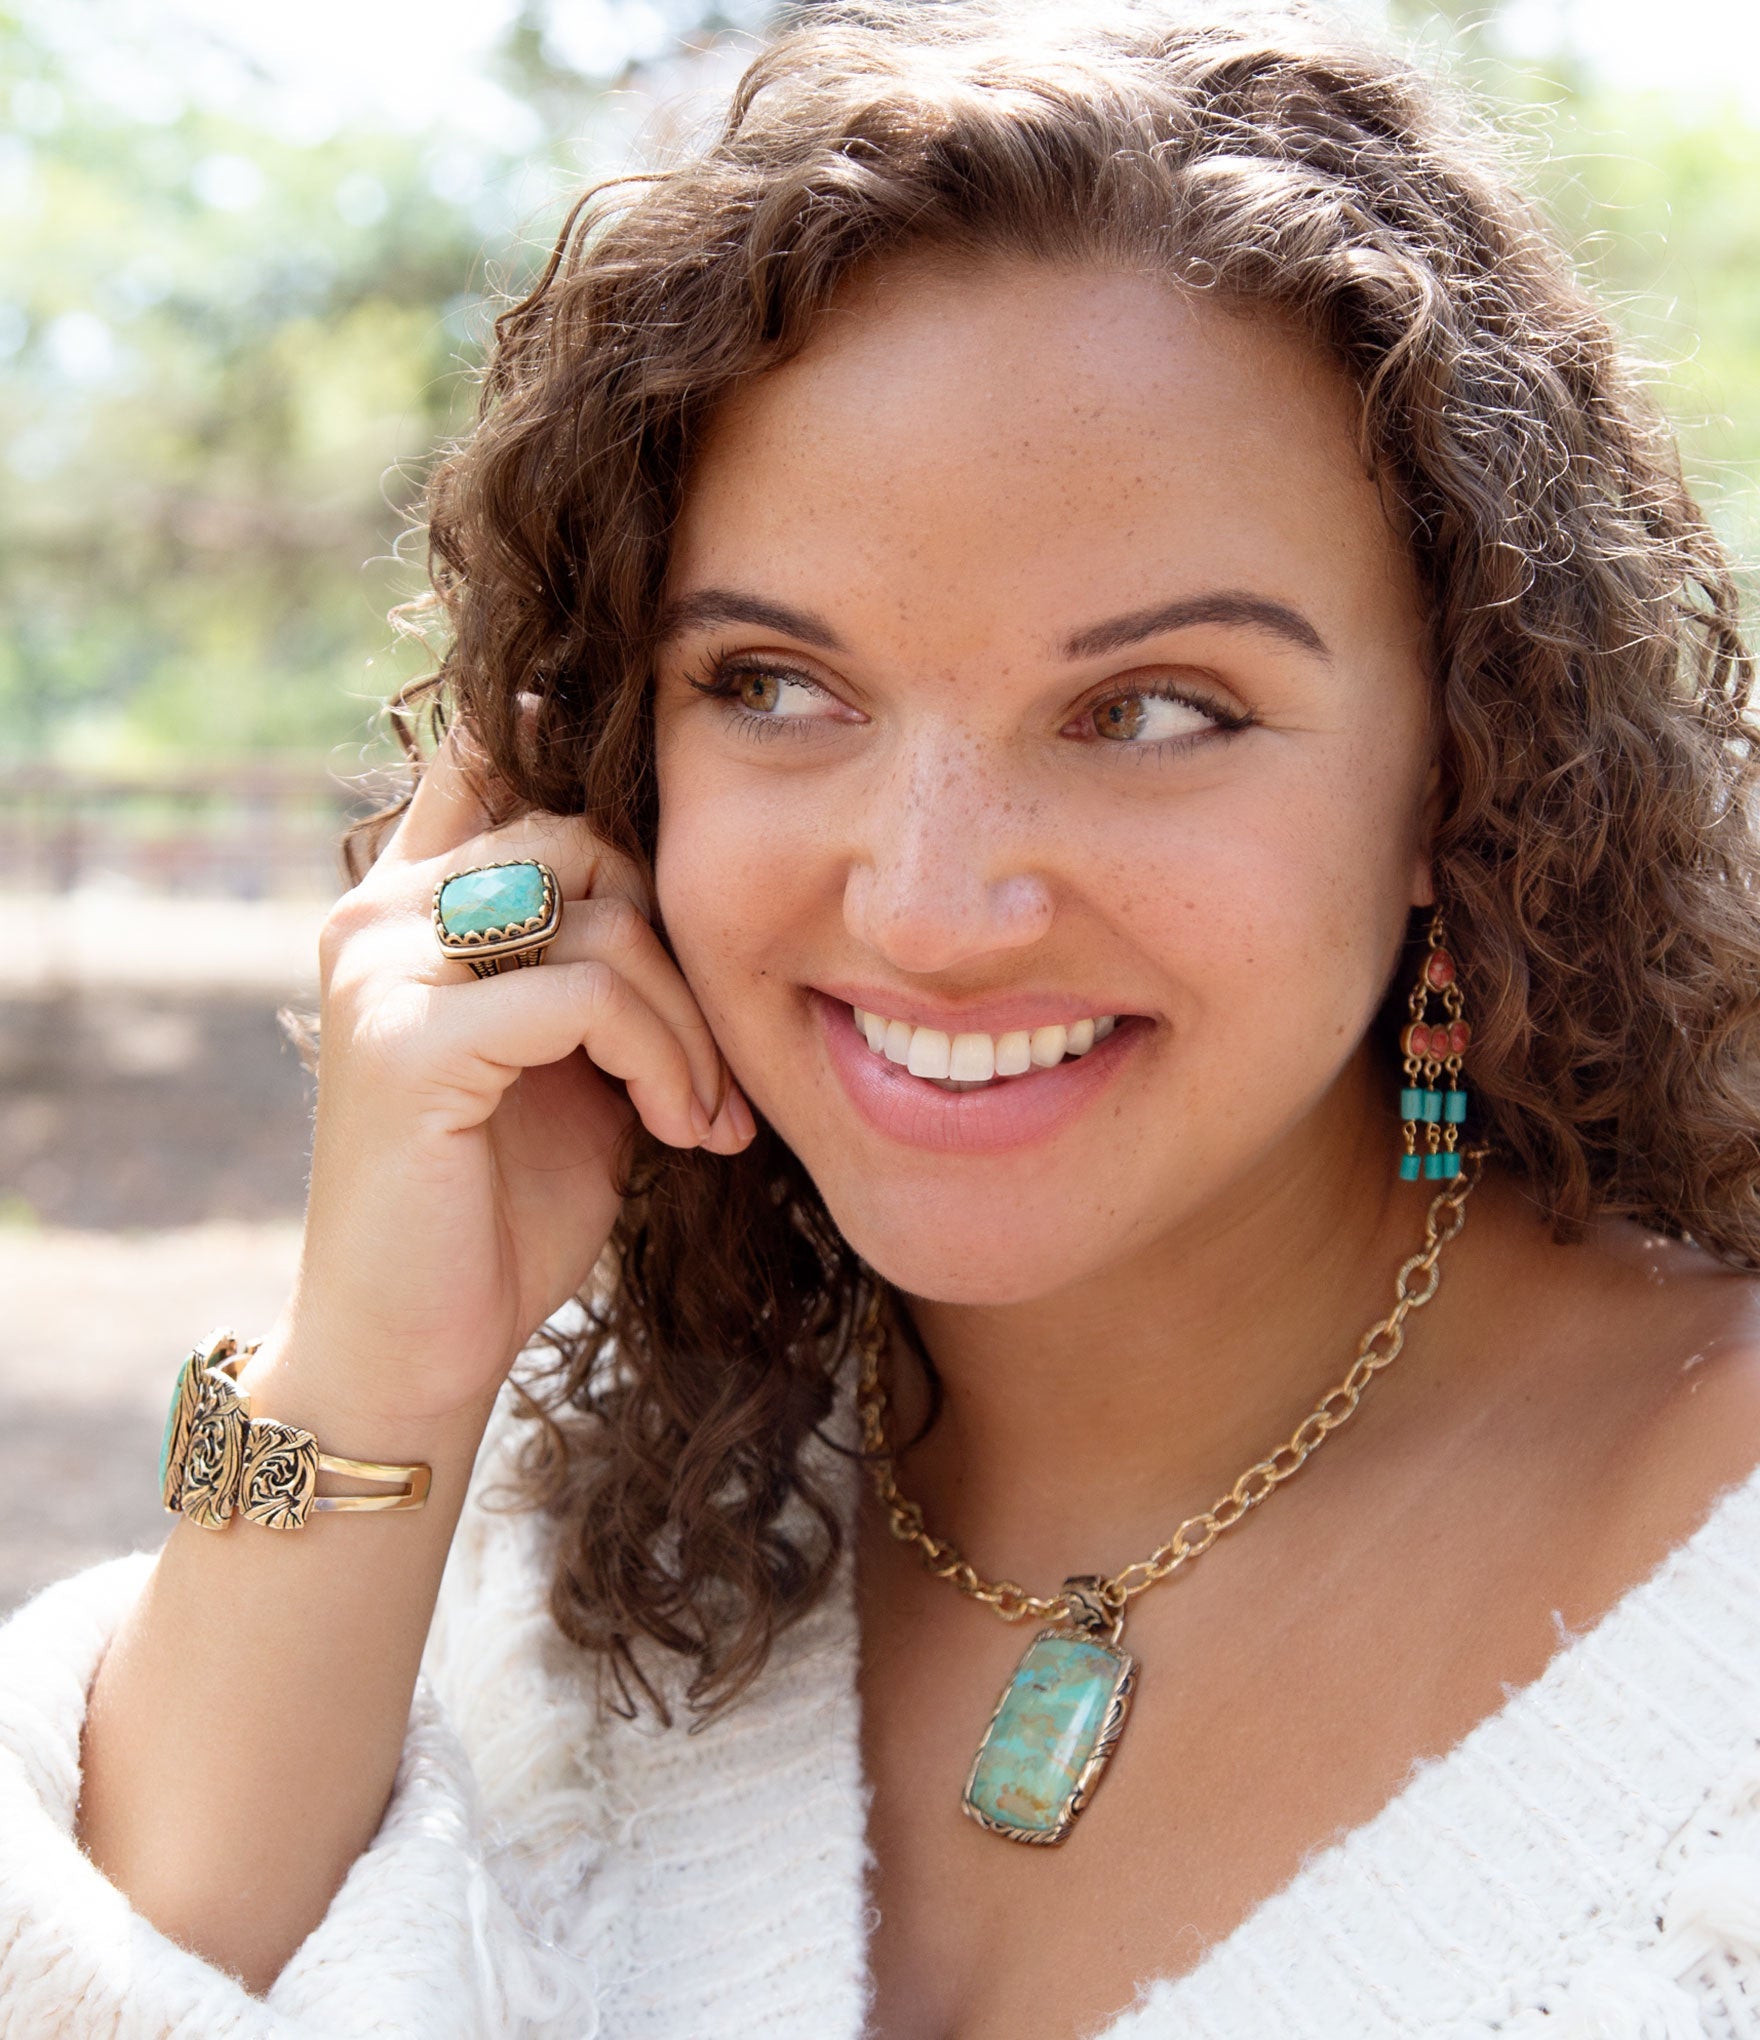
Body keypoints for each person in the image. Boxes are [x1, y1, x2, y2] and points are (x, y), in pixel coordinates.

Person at [5, 1, 1760, 2034]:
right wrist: (370, 1389)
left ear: (1467, 779)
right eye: (772, 685)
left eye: (1152, 711)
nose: (929, 903)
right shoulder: (538, 1538)